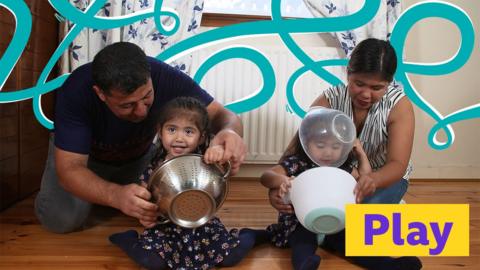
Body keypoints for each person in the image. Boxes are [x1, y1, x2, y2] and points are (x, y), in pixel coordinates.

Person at [35, 42, 247, 234]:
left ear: (150, 78)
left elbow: (223, 115)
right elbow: (71, 168)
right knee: (61, 220)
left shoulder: (163, 75)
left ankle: (110, 189)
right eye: (127, 105)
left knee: (160, 211)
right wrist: (114, 195)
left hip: (138, 159)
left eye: (147, 97)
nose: (141, 112)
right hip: (85, 161)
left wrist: (230, 132)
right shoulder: (75, 91)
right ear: (100, 93)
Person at [263, 38, 422, 269]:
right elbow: (296, 151)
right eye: (359, 83)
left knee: (355, 220)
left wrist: (372, 180)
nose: (366, 94)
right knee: (333, 216)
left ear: (389, 83)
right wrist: (277, 188)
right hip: (339, 175)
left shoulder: (399, 106)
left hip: (385, 177)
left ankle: (383, 211)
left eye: (377, 87)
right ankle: (335, 234)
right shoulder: (329, 100)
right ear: (348, 73)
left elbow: (397, 164)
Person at [109, 97, 268, 269]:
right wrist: (145, 213)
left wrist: (218, 152)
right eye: (171, 129)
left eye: (189, 132)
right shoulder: (156, 165)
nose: (179, 138)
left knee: (230, 258)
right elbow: (144, 196)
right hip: (166, 228)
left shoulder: (206, 159)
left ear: (201, 138)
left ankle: (249, 235)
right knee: (152, 262)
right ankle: (128, 239)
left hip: (203, 226)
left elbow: (220, 169)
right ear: (160, 132)